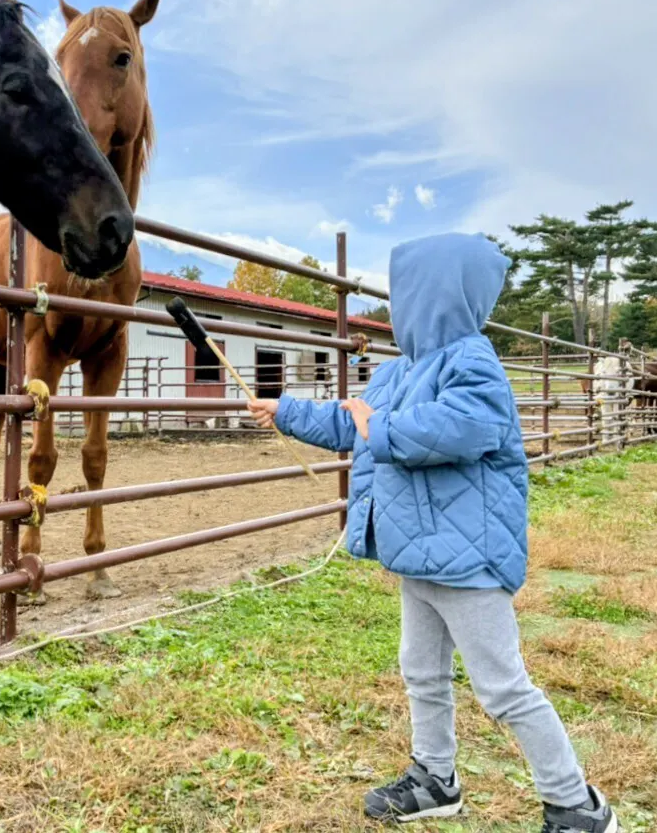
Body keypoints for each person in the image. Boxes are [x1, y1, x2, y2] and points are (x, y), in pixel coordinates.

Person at [249, 234, 618, 832]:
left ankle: (577, 804)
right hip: (418, 553)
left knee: (502, 687)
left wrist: (379, 428)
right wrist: (286, 410)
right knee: (421, 670)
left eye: (408, 289)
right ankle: (434, 778)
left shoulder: (473, 360)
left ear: (439, 292)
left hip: (468, 560)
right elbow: (354, 422)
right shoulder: (398, 371)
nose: (401, 303)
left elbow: (461, 428)